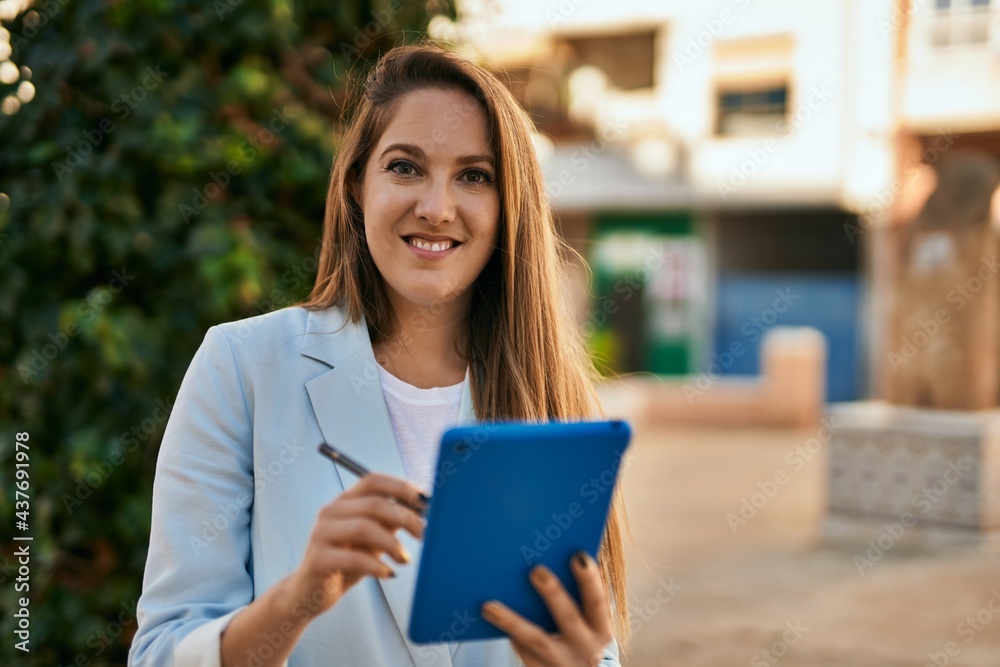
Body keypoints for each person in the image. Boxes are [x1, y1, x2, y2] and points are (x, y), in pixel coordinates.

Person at [128, 43, 630, 667]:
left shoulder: (552, 398)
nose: (437, 208)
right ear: (357, 186)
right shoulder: (242, 367)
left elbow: (595, 649)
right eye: (405, 167)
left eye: (475, 176)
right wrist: (296, 601)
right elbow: (161, 653)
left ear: (509, 209)